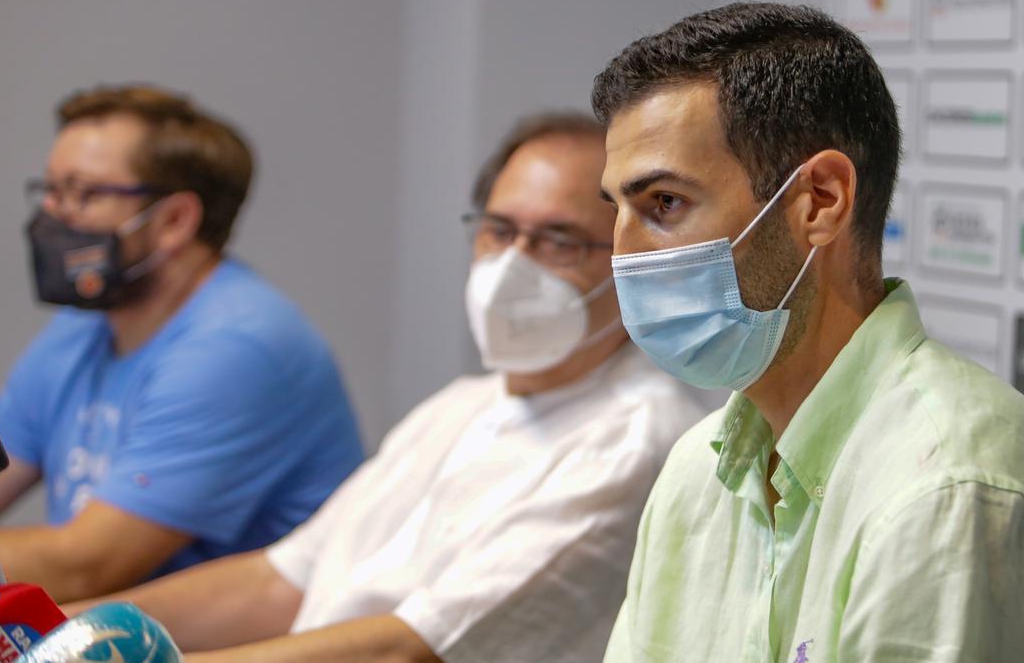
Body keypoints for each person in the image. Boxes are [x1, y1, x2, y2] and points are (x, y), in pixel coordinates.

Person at [593, 3, 1024, 662]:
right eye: (618, 209)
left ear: (820, 201)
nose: (621, 253)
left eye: (664, 204)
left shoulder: (947, 486)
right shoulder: (697, 471)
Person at [75, 111, 706, 662]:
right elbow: (279, 581)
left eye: (558, 241)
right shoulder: (462, 406)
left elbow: (410, 649)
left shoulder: (637, 437)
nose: (513, 262)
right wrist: (77, 632)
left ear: (630, 257)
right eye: (499, 230)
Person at [0, 85, 364, 602]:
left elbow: (86, 565)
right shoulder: (83, 329)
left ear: (174, 221)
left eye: (84, 194)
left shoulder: (237, 348)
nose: (54, 215)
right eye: (50, 191)